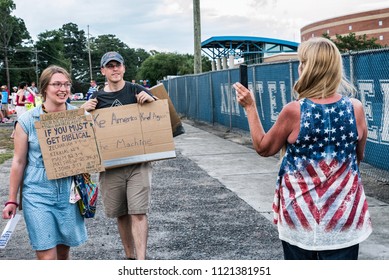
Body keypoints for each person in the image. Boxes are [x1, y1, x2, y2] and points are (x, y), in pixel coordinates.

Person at [233, 37, 372, 260]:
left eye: (302, 62)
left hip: (300, 219)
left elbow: (263, 147)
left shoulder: (294, 111)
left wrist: (250, 106)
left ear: (307, 68)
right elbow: (358, 157)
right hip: (344, 219)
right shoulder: (355, 108)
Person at [2, 65, 88, 260]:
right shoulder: (26, 121)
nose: (63, 89)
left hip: (69, 193)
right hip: (37, 193)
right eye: (56, 84)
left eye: (66, 84)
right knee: (47, 256)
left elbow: (91, 154)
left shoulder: (80, 117)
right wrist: (12, 199)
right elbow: (18, 161)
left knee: (64, 252)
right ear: (44, 88)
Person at [81, 51, 156, 260]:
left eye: (118, 65)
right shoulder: (95, 98)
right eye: (110, 66)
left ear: (123, 68)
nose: (115, 69)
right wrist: (84, 112)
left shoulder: (135, 90)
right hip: (110, 166)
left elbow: (161, 115)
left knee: (138, 212)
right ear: (103, 71)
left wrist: (151, 100)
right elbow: (83, 133)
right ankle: (130, 257)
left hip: (137, 163)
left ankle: (141, 262)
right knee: (121, 213)